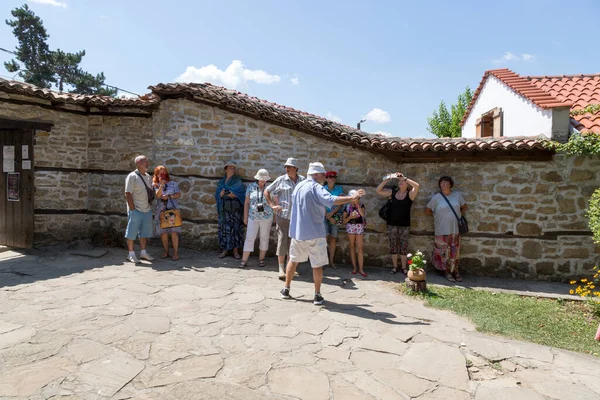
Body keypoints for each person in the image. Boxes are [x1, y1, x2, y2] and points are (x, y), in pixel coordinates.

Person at [279, 162, 365, 305]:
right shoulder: (316, 187)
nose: (325, 178)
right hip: (315, 232)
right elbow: (332, 200)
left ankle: (286, 289)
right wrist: (352, 198)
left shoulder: (299, 186)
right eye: (323, 175)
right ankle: (317, 295)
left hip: (298, 232)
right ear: (316, 175)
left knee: (293, 260)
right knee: (317, 265)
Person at [264, 157, 305, 279]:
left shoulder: (303, 180)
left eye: (289, 167)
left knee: (294, 244)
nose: (287, 169)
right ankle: (281, 269)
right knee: (282, 242)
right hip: (283, 216)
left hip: (298, 218)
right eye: (286, 167)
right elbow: (267, 191)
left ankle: (290, 267)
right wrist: (272, 205)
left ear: (295, 168)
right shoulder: (281, 180)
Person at [376, 172, 420, 274]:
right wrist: (388, 179)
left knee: (403, 247)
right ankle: (395, 267)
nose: (401, 183)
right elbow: (378, 190)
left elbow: (417, 185)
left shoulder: (410, 195)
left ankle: (404, 268)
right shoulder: (393, 193)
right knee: (393, 246)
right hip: (391, 224)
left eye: (403, 182)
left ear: (406, 183)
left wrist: (404, 178)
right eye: (399, 181)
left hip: (405, 225)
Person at [425, 176, 467, 282]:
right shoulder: (436, 197)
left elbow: (464, 207)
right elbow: (427, 210)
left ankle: (455, 271)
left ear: (450, 184)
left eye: (446, 182)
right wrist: (437, 216)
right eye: (442, 183)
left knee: (454, 251)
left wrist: (458, 216)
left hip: (455, 228)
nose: (443, 184)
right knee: (443, 252)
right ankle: (446, 272)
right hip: (441, 228)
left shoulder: (457, 195)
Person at [124, 155, 155, 263]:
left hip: (146, 209)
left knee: (144, 233)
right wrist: (132, 209)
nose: (147, 164)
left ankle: (143, 253)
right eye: (145, 162)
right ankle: (131, 254)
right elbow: (128, 193)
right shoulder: (132, 176)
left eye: (147, 161)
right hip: (136, 210)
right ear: (138, 164)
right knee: (132, 232)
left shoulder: (147, 176)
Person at [240, 169, 274, 268]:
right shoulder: (251, 187)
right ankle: (244, 260)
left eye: (265, 179)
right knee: (250, 237)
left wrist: (275, 215)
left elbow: (274, 202)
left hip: (267, 216)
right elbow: (246, 203)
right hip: (253, 216)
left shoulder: (270, 188)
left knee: (264, 237)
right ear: (257, 179)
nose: (263, 181)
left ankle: (261, 259)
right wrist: (245, 216)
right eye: (261, 179)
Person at [215, 160, 246, 259]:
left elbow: (240, 193)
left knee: (235, 230)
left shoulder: (237, 180)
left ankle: (235, 251)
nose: (232, 169)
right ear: (226, 169)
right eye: (230, 167)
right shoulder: (221, 182)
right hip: (224, 211)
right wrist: (220, 194)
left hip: (235, 211)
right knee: (225, 230)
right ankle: (225, 250)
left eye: (233, 167)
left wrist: (228, 193)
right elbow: (217, 194)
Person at [153, 165, 182, 261]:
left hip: (172, 210)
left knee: (174, 232)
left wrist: (170, 196)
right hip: (161, 211)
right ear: (156, 174)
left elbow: (178, 193)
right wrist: (161, 185)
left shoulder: (173, 184)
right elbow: (157, 195)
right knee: (164, 233)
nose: (162, 174)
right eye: (160, 172)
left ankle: (176, 253)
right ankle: (166, 252)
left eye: (164, 172)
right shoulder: (155, 185)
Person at [342, 190, 367, 277]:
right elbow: (343, 221)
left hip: (359, 226)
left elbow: (363, 214)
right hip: (350, 226)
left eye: (357, 198)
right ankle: (354, 267)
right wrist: (350, 217)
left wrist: (357, 205)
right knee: (352, 247)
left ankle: (361, 269)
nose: (355, 199)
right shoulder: (347, 207)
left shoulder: (361, 205)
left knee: (360, 248)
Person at [323, 170, 343, 269]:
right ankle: (322, 261)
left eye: (334, 177)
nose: (332, 179)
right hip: (324, 215)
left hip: (335, 214)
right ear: (326, 179)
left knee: (334, 238)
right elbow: (320, 204)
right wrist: (328, 215)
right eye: (330, 177)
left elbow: (340, 204)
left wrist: (331, 214)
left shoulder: (339, 189)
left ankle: (331, 261)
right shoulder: (322, 189)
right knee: (324, 237)